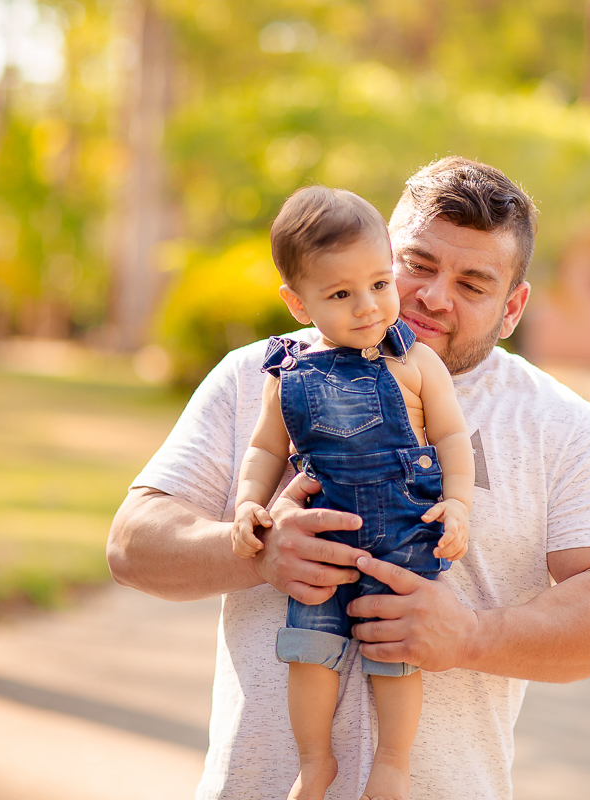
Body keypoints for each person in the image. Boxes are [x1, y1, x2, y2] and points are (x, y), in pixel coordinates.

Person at [107, 156, 590, 800]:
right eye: (417, 264)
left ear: (513, 309)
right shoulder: (263, 376)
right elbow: (131, 545)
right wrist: (257, 552)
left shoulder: (558, 424)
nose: (434, 296)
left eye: (473, 283)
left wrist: (472, 637)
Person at [230, 185, 473, 800]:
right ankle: (316, 764)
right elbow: (265, 450)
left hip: (404, 531)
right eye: (340, 295)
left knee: (395, 649)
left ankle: (392, 765)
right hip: (324, 536)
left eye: (380, 284)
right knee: (310, 649)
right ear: (298, 302)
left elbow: (451, 438)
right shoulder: (287, 372)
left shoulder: (415, 362)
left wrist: (459, 504)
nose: (367, 307)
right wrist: (249, 503)